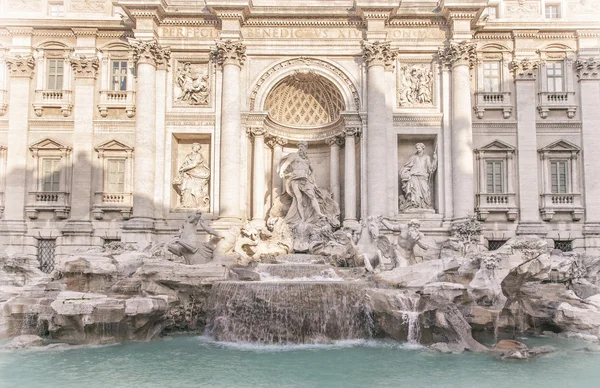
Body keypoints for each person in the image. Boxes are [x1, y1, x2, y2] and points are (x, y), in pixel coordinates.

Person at [278, 141, 336, 227]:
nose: (301, 148)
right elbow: (286, 164)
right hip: (295, 179)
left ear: (306, 148)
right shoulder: (294, 156)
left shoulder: (307, 160)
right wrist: (282, 171)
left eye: (303, 146)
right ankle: (302, 218)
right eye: (300, 146)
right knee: (299, 199)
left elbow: (312, 170)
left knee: (312, 196)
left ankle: (319, 213)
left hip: (306, 180)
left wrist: (312, 179)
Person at [400, 142, 437, 210]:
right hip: (414, 176)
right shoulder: (413, 157)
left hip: (423, 176)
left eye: (419, 148)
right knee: (414, 191)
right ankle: (415, 205)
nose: (418, 149)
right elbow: (407, 166)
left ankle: (425, 205)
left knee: (425, 190)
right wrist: (404, 172)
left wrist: (435, 159)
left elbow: (430, 168)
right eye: (417, 148)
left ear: (423, 148)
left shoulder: (427, 157)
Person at [178, 143, 210, 208]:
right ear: (193, 147)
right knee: (187, 187)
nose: (197, 149)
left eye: (198, 148)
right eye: (196, 147)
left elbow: (194, 164)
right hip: (189, 173)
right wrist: (184, 169)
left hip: (197, 174)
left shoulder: (199, 155)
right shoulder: (188, 156)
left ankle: (197, 204)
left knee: (196, 189)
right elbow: (185, 164)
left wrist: (183, 169)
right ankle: (186, 204)